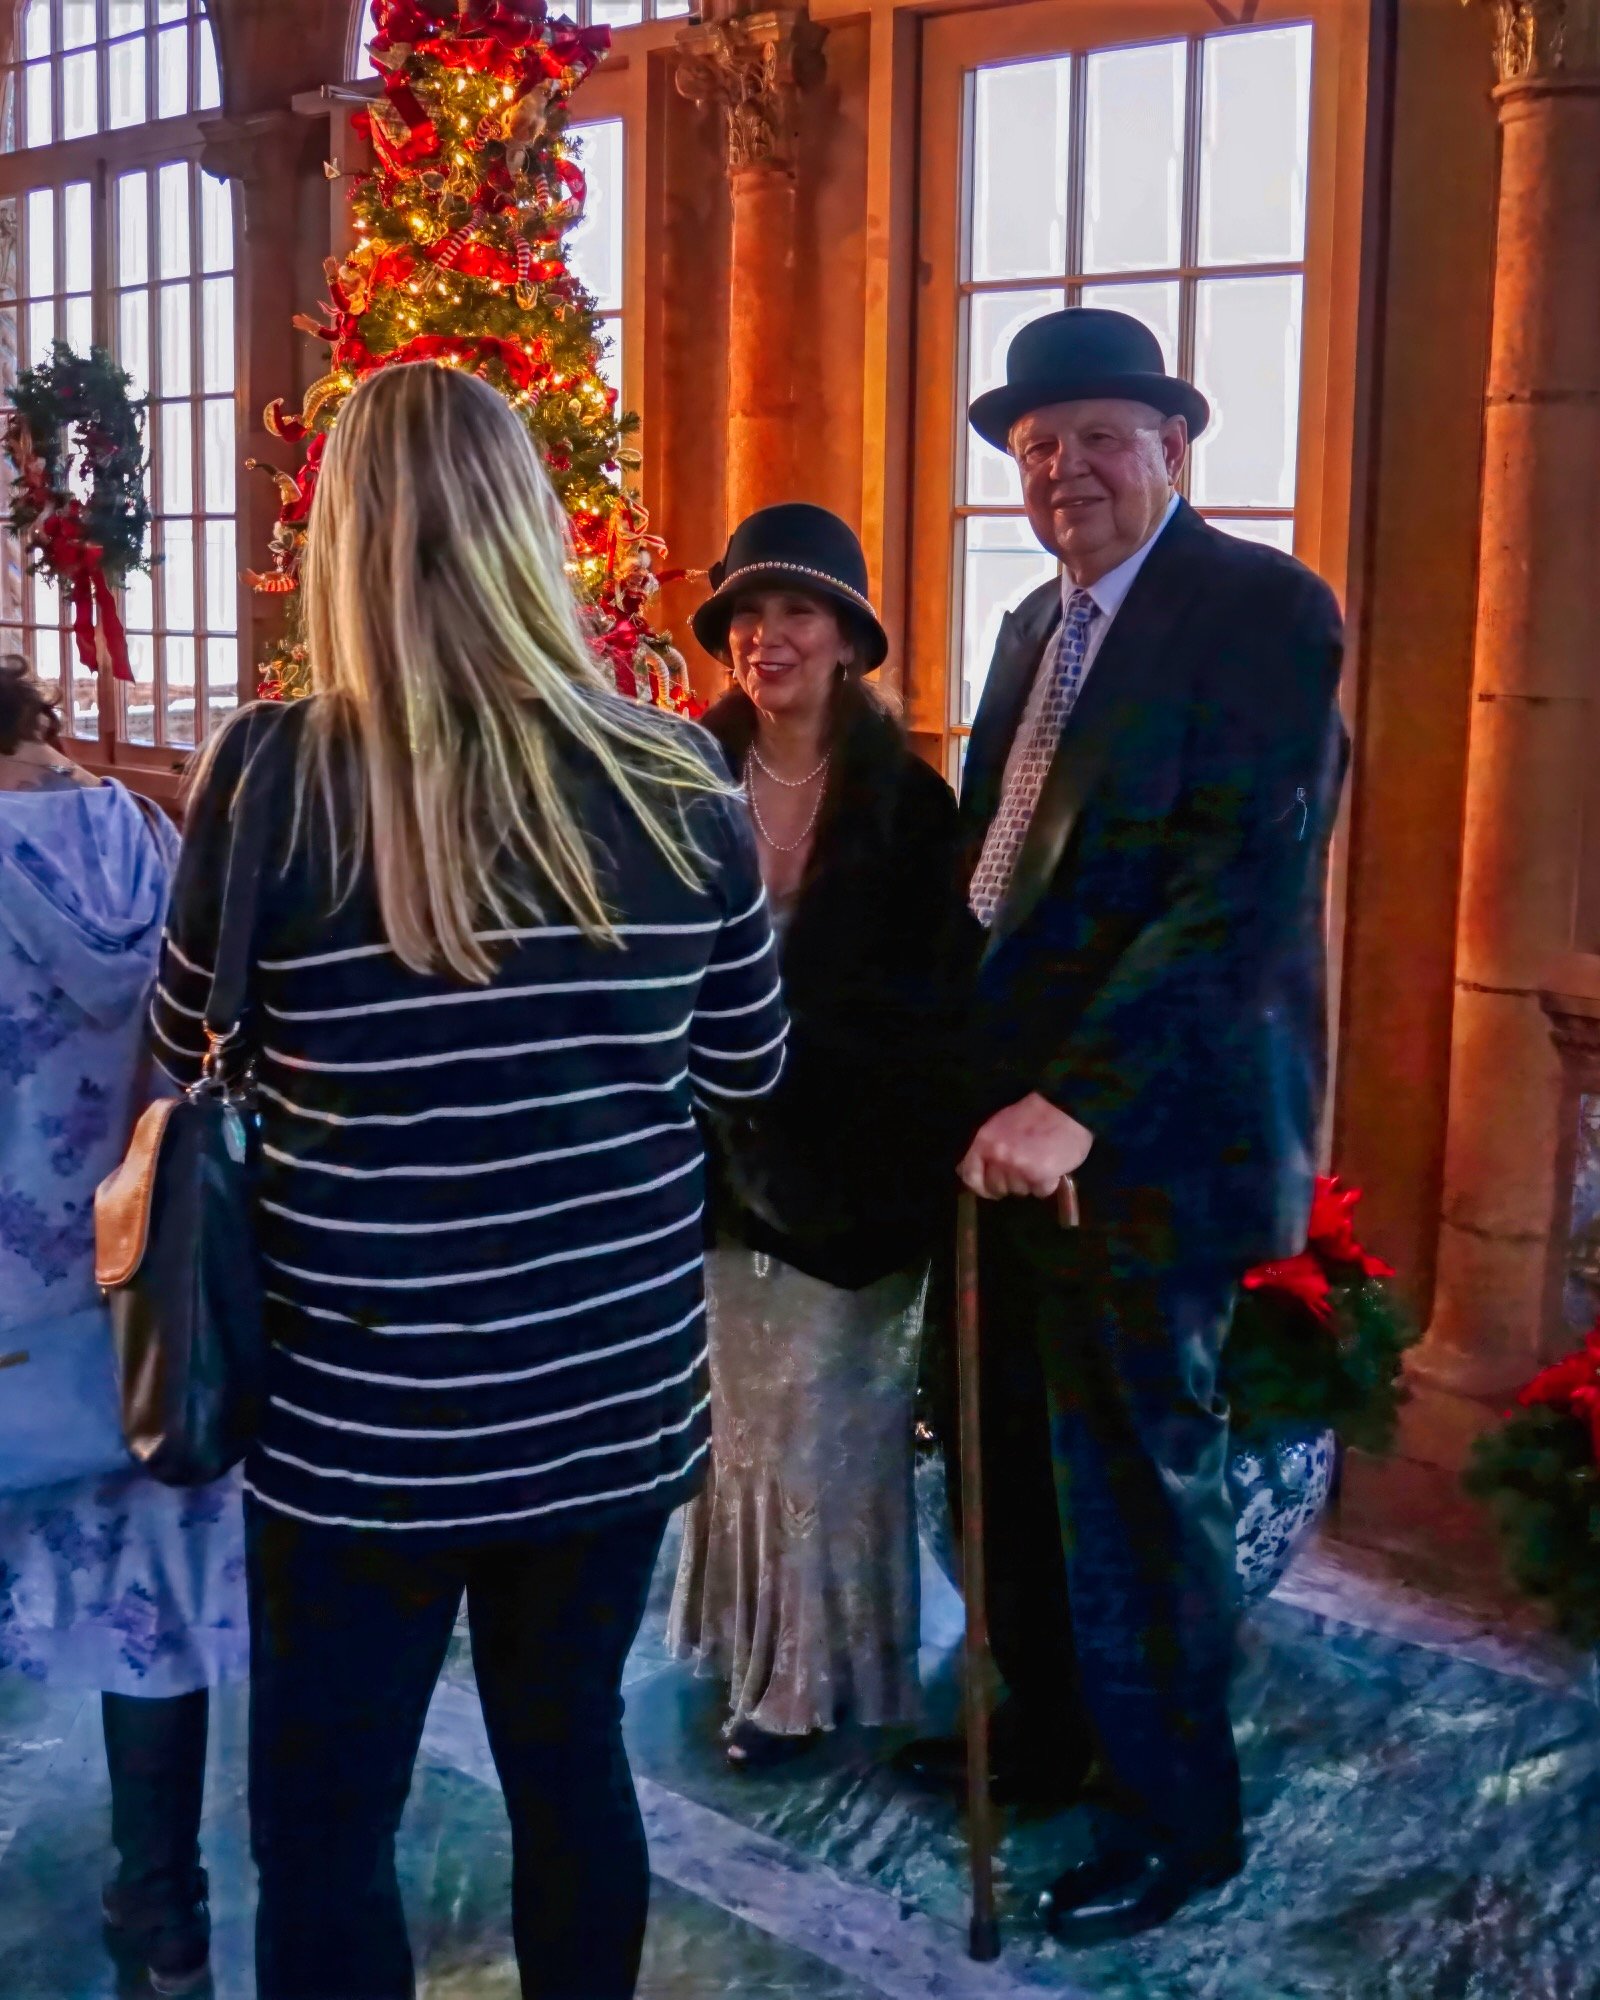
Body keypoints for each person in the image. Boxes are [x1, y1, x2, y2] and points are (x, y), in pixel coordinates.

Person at [149, 364, 788, 2000]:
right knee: (572, 1762)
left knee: (325, 1820)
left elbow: (184, 1044)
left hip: (362, 1410)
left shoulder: (274, 774)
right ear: (530, 530)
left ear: (344, 533)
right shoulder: (675, 778)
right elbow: (747, 1071)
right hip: (608, 1392)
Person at [898, 309, 1348, 1942]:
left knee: (1132, 1487)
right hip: (1004, 1144)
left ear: (1173, 441)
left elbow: (1233, 895)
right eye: (1036, 449)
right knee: (1009, 1459)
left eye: (1097, 435)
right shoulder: (1035, 624)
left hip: (1145, 1149)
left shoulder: (1264, 613)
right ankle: (1054, 1731)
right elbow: (1001, 880)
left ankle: (1178, 1819)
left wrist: (1077, 1104)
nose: (1063, 471)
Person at [667, 505, 977, 1767]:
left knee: (829, 1428)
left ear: (849, 640)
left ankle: (816, 1676)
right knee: (742, 1425)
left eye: (795, 611)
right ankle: (750, 1648)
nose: (765, 635)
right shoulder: (683, 770)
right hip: (708, 1164)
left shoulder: (909, 799)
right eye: (746, 612)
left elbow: (937, 1000)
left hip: (853, 1179)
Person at [0, 657, 247, 1997]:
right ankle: (164, 1922)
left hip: (7, 1317)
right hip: (150, 1305)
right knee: (154, 1617)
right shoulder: (146, 833)